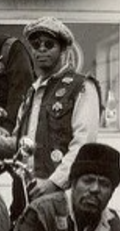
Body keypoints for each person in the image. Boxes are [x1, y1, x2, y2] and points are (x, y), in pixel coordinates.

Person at [10, 17, 101, 200]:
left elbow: (83, 144)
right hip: (25, 193)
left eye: (49, 44)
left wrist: (54, 182)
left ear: (63, 50)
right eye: (36, 45)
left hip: (61, 194)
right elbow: (16, 142)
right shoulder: (31, 93)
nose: (41, 49)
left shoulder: (81, 87)